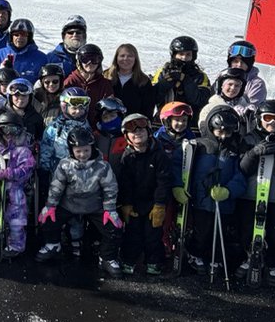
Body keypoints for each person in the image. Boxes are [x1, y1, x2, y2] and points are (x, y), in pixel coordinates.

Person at [36, 125, 122, 274]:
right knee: (48, 219)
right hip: (69, 203)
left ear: (92, 148)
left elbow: (110, 188)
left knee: (114, 228)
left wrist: (110, 209)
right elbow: (57, 186)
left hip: (94, 205)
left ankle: (107, 258)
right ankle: (53, 245)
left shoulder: (102, 166)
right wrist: (50, 205)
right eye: (78, 151)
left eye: (86, 150)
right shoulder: (65, 165)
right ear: (71, 151)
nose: (83, 154)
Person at [235, 99, 275, 288]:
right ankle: (249, 256)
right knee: (247, 229)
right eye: (267, 118)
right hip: (251, 194)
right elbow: (242, 168)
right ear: (259, 119)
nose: (272, 123)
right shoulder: (249, 139)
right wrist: (253, 153)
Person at [176, 106, 246, 278]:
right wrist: (178, 186)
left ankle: (215, 258)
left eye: (228, 132)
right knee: (202, 231)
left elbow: (240, 176)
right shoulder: (199, 145)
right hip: (201, 200)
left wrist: (228, 191)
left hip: (223, 202)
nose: (223, 136)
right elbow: (180, 165)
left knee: (220, 232)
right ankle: (195, 254)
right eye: (219, 131)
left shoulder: (235, 150)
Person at [115, 113, 171, 276]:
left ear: (148, 131)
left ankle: (154, 262)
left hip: (153, 201)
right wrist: (126, 203)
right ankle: (128, 260)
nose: (137, 134)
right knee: (132, 232)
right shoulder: (127, 157)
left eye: (141, 130)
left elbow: (163, 181)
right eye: (133, 132)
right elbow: (125, 183)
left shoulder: (159, 154)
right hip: (134, 202)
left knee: (153, 233)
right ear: (127, 136)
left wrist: (160, 204)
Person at [0, 109, 36, 259]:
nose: (9, 134)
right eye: (4, 130)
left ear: (20, 131)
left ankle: (15, 246)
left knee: (16, 221)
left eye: (13, 130)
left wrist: (8, 173)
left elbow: (27, 169)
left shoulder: (23, 151)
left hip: (15, 191)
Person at [152, 36, 212, 116]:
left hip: (191, 119)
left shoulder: (200, 76)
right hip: (164, 117)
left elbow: (201, 101)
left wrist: (187, 81)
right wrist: (164, 84)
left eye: (188, 54)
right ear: (174, 54)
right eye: (181, 54)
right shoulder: (162, 72)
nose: (184, 57)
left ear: (193, 56)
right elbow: (152, 98)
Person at [63, 43, 114, 126]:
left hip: (96, 128)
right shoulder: (70, 82)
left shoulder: (104, 84)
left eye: (94, 59)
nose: (90, 63)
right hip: (72, 126)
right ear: (79, 61)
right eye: (85, 59)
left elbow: (109, 109)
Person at [105, 44, 156, 120]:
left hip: (132, 125)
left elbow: (148, 109)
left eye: (130, 56)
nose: (125, 59)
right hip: (107, 123)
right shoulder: (106, 77)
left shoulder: (143, 81)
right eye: (122, 56)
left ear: (135, 59)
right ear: (116, 58)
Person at [0, 18, 45, 87]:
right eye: (16, 34)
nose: (19, 37)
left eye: (23, 34)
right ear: (11, 36)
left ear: (29, 37)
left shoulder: (41, 58)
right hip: (3, 93)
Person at [197, 67, 248, 133]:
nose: (233, 88)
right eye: (230, 84)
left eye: (237, 86)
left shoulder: (245, 107)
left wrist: (249, 117)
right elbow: (204, 129)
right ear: (221, 85)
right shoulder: (210, 108)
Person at [224, 40, 267, 110]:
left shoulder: (256, 84)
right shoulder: (222, 77)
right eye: (236, 61)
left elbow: (254, 109)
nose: (239, 65)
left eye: (243, 62)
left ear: (249, 64)